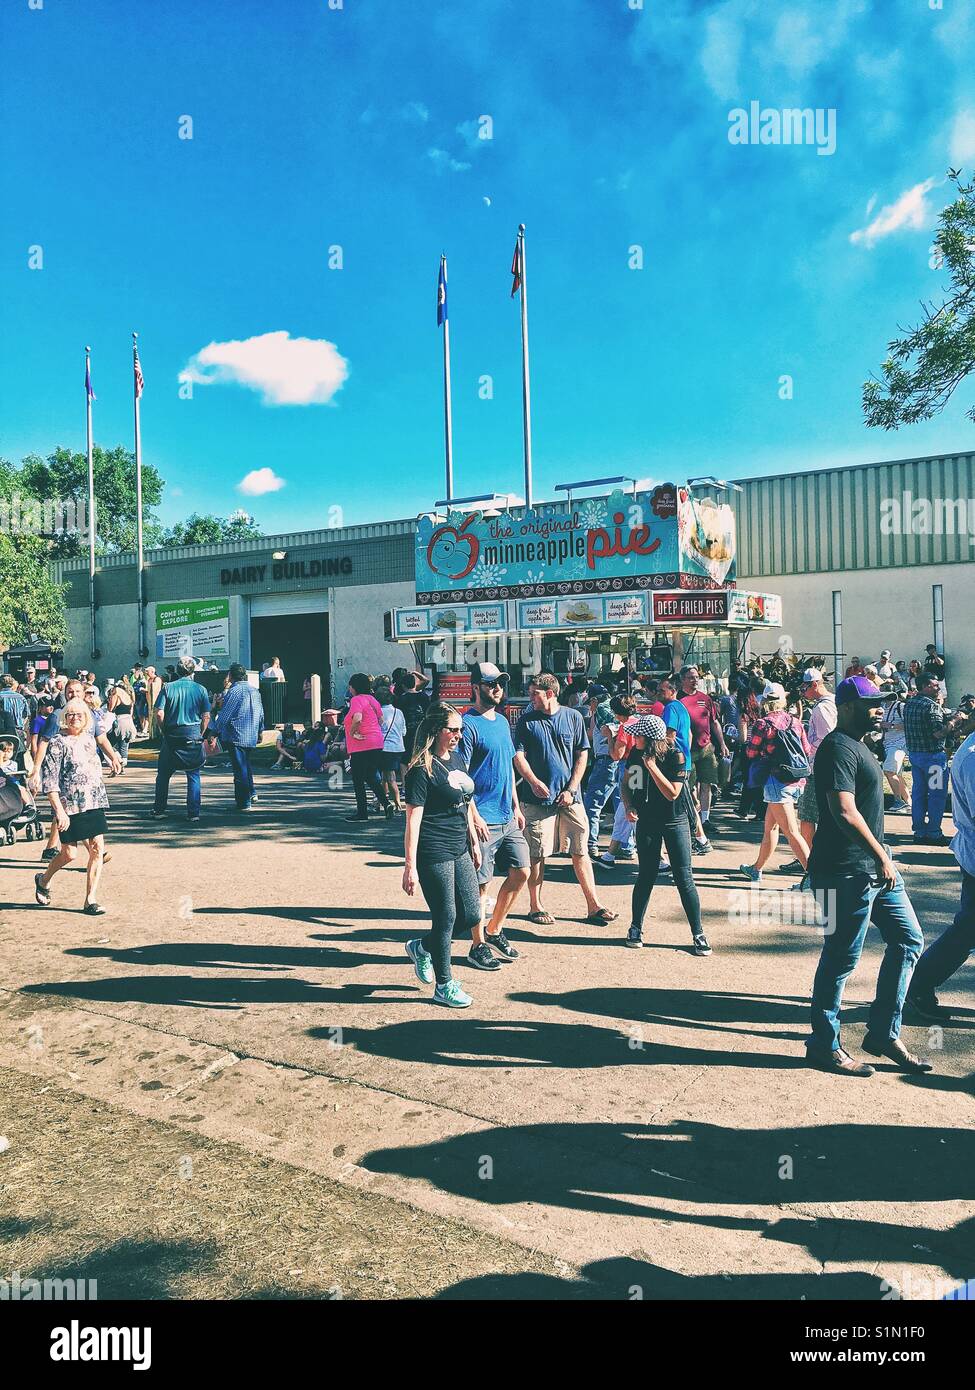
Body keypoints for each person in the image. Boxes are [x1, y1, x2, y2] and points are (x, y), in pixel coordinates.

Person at [805, 676, 931, 1077]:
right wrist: (881, 856)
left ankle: (882, 1033)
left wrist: (881, 859)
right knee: (841, 959)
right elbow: (843, 811)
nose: (878, 708)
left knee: (909, 940)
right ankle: (823, 1045)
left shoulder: (860, 747)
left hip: (873, 871)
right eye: (870, 702)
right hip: (842, 872)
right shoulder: (837, 748)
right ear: (845, 706)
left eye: (880, 702)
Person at [513, 673, 618, 928]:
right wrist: (533, 781)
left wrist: (572, 789)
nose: (531, 698)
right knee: (538, 853)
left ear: (550, 693)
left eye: (534, 693)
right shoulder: (526, 721)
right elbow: (518, 757)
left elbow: (582, 755)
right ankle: (535, 906)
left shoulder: (572, 717)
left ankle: (594, 905)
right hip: (536, 800)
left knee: (580, 850)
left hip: (571, 798)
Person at [402, 702, 481, 1008]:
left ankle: (422, 948)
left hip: (459, 845)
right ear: (436, 730)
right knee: (445, 917)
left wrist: (473, 840)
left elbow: (465, 802)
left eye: (461, 730)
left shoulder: (458, 759)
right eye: (453, 729)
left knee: (472, 914)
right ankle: (443, 985)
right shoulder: (422, 769)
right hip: (433, 849)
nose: (458, 735)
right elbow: (413, 819)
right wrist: (410, 866)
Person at [460, 662, 530, 970]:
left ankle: (494, 930)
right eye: (490, 684)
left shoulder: (502, 721)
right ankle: (477, 945)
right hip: (483, 817)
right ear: (475, 687)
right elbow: (459, 777)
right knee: (481, 885)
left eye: (500, 683)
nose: (497, 688)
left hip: (507, 814)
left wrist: (516, 805)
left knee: (522, 872)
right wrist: (472, 816)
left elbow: (507, 765)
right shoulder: (467, 724)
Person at [907, 706, 975, 1019]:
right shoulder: (973, 755)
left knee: (968, 929)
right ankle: (918, 985)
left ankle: (919, 984)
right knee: (967, 930)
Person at [621, 714, 710, 954]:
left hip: (675, 820)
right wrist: (629, 805)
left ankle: (698, 933)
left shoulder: (675, 755)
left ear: (649, 738)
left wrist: (651, 767)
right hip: (647, 821)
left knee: (684, 878)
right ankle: (635, 927)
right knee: (646, 875)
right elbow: (627, 783)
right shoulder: (636, 754)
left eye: (637, 734)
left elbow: (672, 792)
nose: (633, 737)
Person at [33, 699, 109, 915]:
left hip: (93, 802)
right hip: (69, 805)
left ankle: (90, 900)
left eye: (79, 715)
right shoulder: (58, 742)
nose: (75, 718)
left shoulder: (88, 740)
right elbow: (50, 780)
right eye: (70, 715)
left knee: (97, 849)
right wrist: (58, 810)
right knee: (69, 854)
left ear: (86, 718)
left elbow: (94, 770)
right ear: (64, 718)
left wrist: (113, 760)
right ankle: (43, 880)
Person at [739, 681, 812, 885]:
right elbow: (806, 750)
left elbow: (751, 752)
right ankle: (756, 869)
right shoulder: (795, 721)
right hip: (797, 779)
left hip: (775, 781)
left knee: (790, 831)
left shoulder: (763, 724)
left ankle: (814, 875)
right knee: (770, 828)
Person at [904, 673, 967, 845]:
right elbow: (938, 732)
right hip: (932, 757)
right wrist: (954, 721)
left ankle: (918, 831)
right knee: (936, 795)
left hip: (915, 755)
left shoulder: (909, 704)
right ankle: (933, 833)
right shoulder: (930, 707)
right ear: (924, 686)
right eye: (934, 685)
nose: (938, 688)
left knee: (918, 794)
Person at [152, 656, 211, 821]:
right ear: (192, 671)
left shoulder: (168, 687)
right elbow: (206, 716)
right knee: (193, 773)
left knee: (163, 774)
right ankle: (193, 813)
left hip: (172, 733)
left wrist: (163, 730)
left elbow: (159, 712)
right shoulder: (201, 689)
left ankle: (159, 809)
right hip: (193, 733)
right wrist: (201, 733)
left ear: (177, 671)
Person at [658, 676, 712, 855]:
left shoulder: (672, 708)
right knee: (686, 801)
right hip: (683, 761)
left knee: (685, 804)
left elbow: (669, 736)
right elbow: (688, 735)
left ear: (672, 691)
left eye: (662, 691)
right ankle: (699, 839)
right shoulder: (680, 706)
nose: (658, 694)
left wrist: (662, 756)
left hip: (676, 765)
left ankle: (700, 840)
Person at [678, 666, 729, 826]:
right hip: (687, 750)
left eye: (696, 677)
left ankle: (705, 819)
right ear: (682, 680)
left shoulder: (705, 698)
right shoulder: (677, 699)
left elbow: (714, 722)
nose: (695, 680)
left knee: (707, 783)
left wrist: (722, 744)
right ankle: (694, 818)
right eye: (691, 677)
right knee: (690, 785)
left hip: (706, 748)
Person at [214, 664, 265, 811]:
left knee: (239, 769)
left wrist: (214, 731)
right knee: (246, 765)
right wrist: (260, 731)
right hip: (250, 733)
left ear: (231, 675)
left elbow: (225, 715)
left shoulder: (234, 692)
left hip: (236, 734)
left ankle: (243, 802)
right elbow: (261, 713)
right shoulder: (255, 691)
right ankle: (251, 792)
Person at [797, 669, 838, 851]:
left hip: (818, 767)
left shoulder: (822, 708)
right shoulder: (835, 701)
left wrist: (807, 749)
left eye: (805, 688)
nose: (803, 693)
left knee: (807, 816)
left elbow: (827, 738)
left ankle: (810, 856)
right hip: (829, 766)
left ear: (815, 684)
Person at [343, 673, 391, 821]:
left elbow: (357, 718)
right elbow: (382, 720)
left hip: (361, 744)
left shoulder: (357, 700)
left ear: (354, 687)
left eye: (350, 685)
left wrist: (353, 732)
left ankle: (362, 813)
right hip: (376, 742)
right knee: (370, 776)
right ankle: (386, 803)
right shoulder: (372, 699)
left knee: (358, 779)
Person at [582, 683, 616, 859]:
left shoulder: (603, 708)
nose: (590, 706)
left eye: (590, 703)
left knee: (592, 804)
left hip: (605, 760)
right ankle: (627, 845)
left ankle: (590, 844)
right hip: (621, 762)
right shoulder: (615, 705)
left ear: (595, 700)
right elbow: (591, 734)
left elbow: (610, 729)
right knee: (623, 806)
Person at [377, 685, 407, 812]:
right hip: (398, 747)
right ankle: (383, 802)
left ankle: (397, 804)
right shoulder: (398, 712)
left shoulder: (379, 713)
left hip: (385, 748)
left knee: (390, 778)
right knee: (385, 777)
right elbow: (404, 731)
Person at [880, 692, 910, 813]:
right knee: (896, 773)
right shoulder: (881, 708)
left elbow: (908, 725)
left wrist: (890, 725)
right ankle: (909, 802)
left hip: (899, 743)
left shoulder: (900, 707)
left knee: (889, 770)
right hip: (887, 743)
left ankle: (898, 801)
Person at [107, 675, 137, 770]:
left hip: (120, 722)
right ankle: (123, 765)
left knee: (108, 742)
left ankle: (119, 760)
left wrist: (110, 699)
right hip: (129, 722)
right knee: (124, 744)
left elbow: (110, 709)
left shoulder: (116, 694)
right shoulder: (129, 698)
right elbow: (131, 712)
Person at [0, 675, 30, 740]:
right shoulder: (21, 697)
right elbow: (26, 715)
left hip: (3, 730)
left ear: (1, 685)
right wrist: (21, 724)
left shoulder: (1, 696)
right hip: (18, 730)